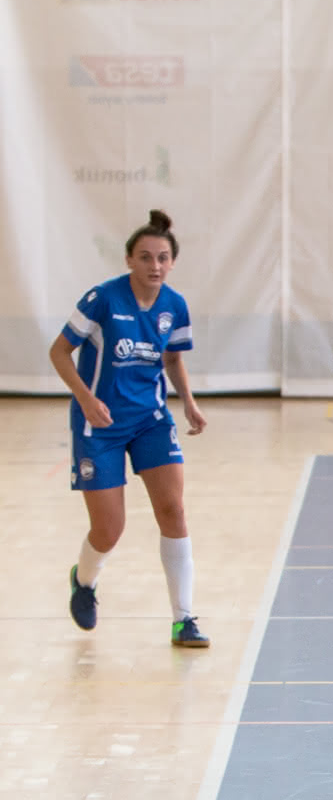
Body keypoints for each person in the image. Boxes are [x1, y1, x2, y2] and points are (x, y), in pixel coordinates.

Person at [48, 209, 210, 647]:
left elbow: (173, 358)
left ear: (172, 262)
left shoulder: (174, 306)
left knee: (173, 510)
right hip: (98, 424)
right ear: (128, 260)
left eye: (162, 258)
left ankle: (185, 618)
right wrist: (86, 398)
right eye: (145, 257)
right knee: (109, 529)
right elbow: (59, 352)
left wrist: (189, 405)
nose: (154, 265)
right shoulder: (103, 299)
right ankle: (84, 581)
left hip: (150, 420)